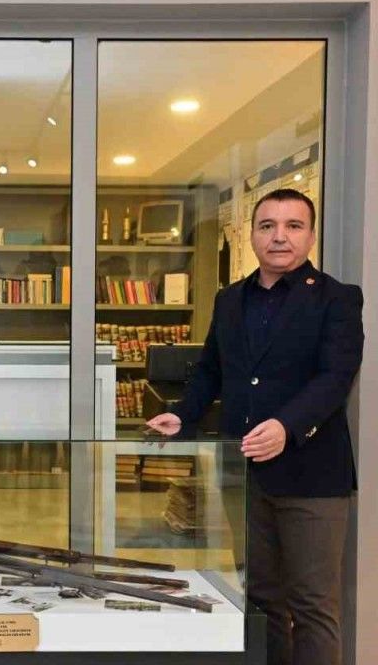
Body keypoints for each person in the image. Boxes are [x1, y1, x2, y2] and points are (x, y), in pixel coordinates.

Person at [147, 188, 363, 665]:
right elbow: (211, 369)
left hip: (312, 477)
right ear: (252, 235)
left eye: (293, 226)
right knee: (261, 601)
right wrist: (183, 412)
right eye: (267, 226)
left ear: (311, 236)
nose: (279, 236)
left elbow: (336, 377)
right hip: (243, 475)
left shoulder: (337, 299)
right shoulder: (229, 300)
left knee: (313, 605)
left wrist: (287, 426)